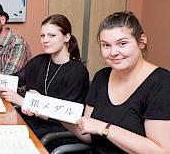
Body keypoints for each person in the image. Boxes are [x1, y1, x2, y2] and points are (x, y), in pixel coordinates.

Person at [67, 11, 170, 153]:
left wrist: (104, 128)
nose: (113, 52)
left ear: (141, 41)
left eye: (122, 44)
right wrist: (52, 113)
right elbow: (90, 134)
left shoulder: (161, 84)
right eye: (106, 45)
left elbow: (161, 151)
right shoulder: (101, 77)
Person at [0, 14, 89, 140]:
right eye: (43, 35)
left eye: (52, 35)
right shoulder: (40, 61)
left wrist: (25, 102)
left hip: (56, 133)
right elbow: (13, 81)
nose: (45, 40)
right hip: (33, 122)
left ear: (67, 37)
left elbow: (65, 118)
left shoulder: (78, 72)